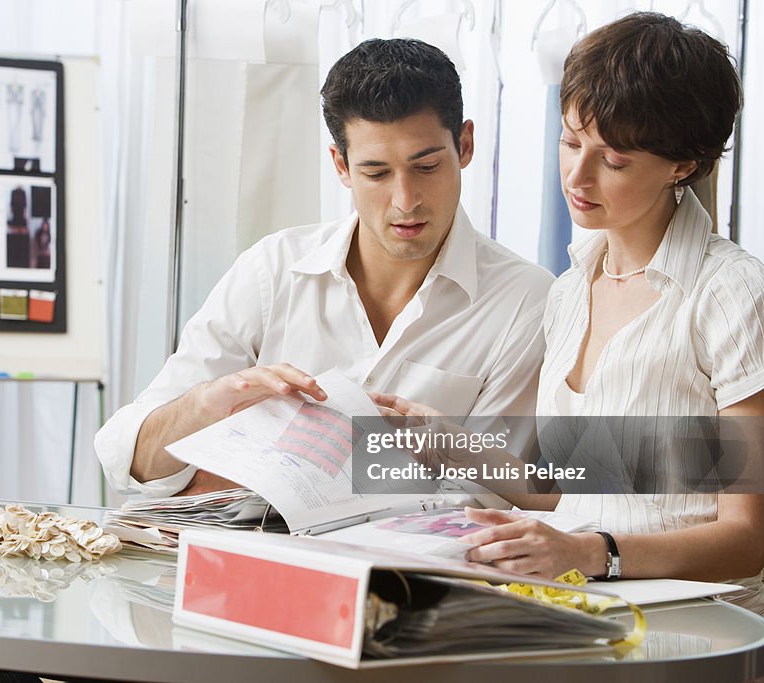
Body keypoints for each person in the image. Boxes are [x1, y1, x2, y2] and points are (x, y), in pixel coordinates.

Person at [382, 13, 764, 612]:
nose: (577, 175)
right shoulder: (570, 289)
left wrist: (591, 553)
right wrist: (453, 444)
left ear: (683, 164)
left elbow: (746, 541)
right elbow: (581, 496)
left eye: (613, 160)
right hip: (587, 609)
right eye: (569, 141)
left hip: (701, 627)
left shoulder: (730, 293)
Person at [95, 38, 553, 502]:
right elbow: (128, 461)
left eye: (427, 166)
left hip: (408, 571)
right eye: (376, 174)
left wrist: (271, 480)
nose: (405, 201)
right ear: (341, 165)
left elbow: (485, 497)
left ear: (466, 145)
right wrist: (205, 404)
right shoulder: (272, 269)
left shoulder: (525, 301)